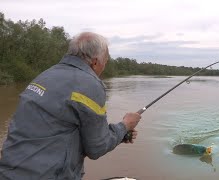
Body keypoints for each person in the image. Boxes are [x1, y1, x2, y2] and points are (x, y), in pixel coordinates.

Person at [0, 32, 141, 179]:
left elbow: (55, 130)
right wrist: (125, 125)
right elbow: (96, 148)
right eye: (105, 61)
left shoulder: (45, 75)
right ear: (95, 61)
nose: (105, 65)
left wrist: (119, 135)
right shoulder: (89, 83)